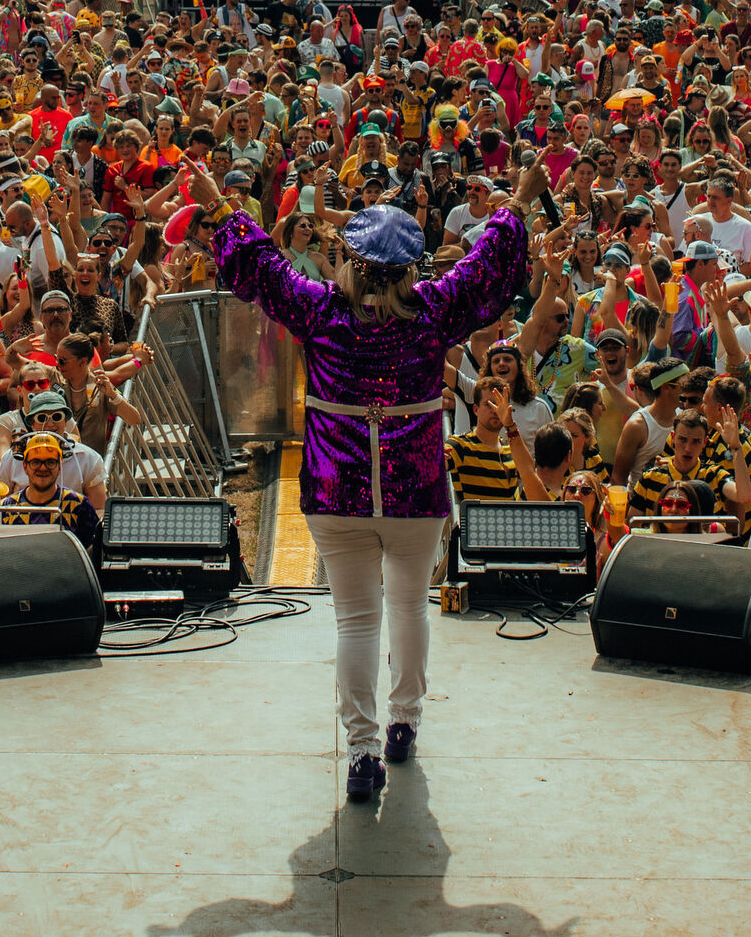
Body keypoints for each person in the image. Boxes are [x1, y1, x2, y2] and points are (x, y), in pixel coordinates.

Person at [187, 155, 533, 802]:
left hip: (336, 491)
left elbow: (261, 267)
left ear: (350, 260)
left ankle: (363, 753)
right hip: (416, 490)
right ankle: (404, 723)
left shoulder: (322, 311)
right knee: (409, 606)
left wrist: (220, 203)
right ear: (409, 266)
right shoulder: (433, 309)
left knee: (355, 622)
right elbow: (487, 265)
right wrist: (519, 202)